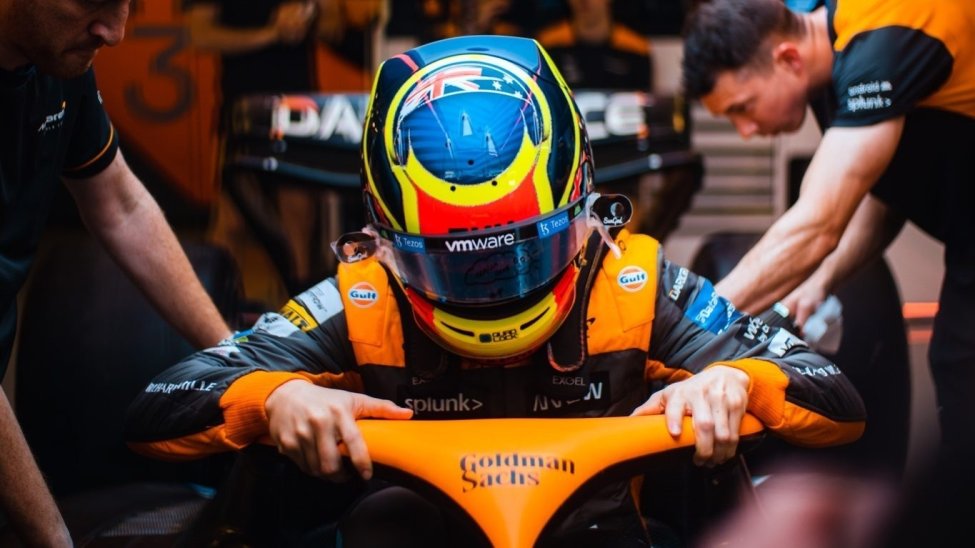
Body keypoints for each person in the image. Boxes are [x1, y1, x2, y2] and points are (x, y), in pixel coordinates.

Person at [124, 35, 866, 546]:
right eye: (453, 263)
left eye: (522, 250)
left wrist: (736, 381)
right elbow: (159, 406)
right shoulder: (364, 297)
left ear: (583, 211)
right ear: (381, 238)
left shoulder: (632, 283)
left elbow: (834, 396)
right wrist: (275, 397)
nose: (490, 290)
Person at [681, 0, 975, 460]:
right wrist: (819, 281)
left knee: (964, 370)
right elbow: (882, 194)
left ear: (787, 58)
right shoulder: (829, 66)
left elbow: (818, 223)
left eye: (743, 108)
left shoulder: (885, 35)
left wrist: (687, 329)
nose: (745, 131)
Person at [0, 0, 234, 545]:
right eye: (94, 3)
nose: (116, 32)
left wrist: (239, 360)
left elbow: (119, 204)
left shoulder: (59, 63)